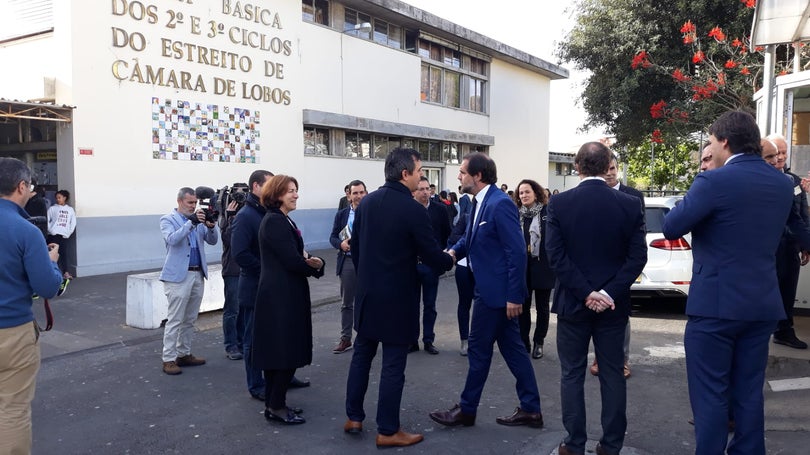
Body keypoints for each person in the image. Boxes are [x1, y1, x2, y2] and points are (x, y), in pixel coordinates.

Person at [662, 111, 795, 454]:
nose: (708, 147)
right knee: (749, 391)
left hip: (716, 305)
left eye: (709, 141)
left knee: (710, 394)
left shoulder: (713, 181)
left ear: (723, 141)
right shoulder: (781, 184)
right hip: (762, 302)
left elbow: (672, 226)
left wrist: (690, 196)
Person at [344, 147, 454, 448]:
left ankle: (354, 416)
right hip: (397, 299)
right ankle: (388, 430)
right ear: (405, 173)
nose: (422, 177)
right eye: (419, 172)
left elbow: (355, 249)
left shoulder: (366, 204)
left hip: (367, 295)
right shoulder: (413, 210)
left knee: (362, 356)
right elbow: (432, 255)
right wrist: (451, 258)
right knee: (393, 364)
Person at [545, 142, 647, 455]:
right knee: (613, 374)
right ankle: (611, 445)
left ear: (577, 167)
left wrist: (586, 292)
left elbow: (555, 255)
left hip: (573, 304)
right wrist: (605, 293)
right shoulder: (629, 204)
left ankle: (574, 443)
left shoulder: (559, 205)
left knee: (572, 374)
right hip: (613, 306)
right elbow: (637, 257)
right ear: (607, 167)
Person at [430, 152, 543, 430]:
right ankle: (531, 410)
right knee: (515, 351)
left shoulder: (500, 203)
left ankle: (467, 410)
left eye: (462, 172)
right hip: (493, 293)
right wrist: (452, 254)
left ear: (477, 176)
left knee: (479, 351)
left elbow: (516, 252)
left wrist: (515, 296)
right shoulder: (479, 202)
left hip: (495, 296)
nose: (458, 176)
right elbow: (469, 238)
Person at [0, 157, 62, 455]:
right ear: (21, 186)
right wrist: (51, 263)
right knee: (12, 409)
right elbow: (47, 287)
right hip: (12, 331)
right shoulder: (26, 231)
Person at [231, 171, 311, 399]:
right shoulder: (246, 216)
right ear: (257, 187)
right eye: (269, 185)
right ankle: (257, 385)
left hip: (273, 287)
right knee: (254, 340)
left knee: (275, 338)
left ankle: (281, 376)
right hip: (256, 287)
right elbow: (240, 254)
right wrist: (268, 271)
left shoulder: (272, 214)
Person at [252, 175, 325, 425]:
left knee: (279, 351)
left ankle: (275, 403)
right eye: (290, 191)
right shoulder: (275, 222)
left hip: (283, 294)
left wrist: (312, 262)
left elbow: (296, 255)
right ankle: (276, 406)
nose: (295, 195)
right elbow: (292, 260)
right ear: (277, 194)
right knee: (284, 351)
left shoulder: (281, 219)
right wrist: (316, 266)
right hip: (280, 297)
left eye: (296, 190)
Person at [591, 155, 645, 379]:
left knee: (620, 313)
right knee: (595, 310)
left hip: (623, 267)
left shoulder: (634, 196)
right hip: (596, 264)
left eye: (613, 168)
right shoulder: (593, 195)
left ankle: (622, 359)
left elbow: (638, 233)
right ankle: (598, 357)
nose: (610, 173)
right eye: (606, 169)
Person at [158, 187, 218, 375]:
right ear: (179, 201)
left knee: (190, 318)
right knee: (175, 319)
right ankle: (168, 358)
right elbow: (172, 240)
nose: (193, 206)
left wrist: (210, 225)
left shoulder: (198, 219)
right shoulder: (168, 219)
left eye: (195, 203)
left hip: (197, 273)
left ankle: (183, 353)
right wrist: (190, 224)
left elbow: (213, 240)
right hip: (177, 276)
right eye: (190, 203)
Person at [767, 134, 810, 350]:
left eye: (784, 152)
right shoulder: (760, 182)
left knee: (787, 291)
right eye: (776, 153)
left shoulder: (794, 181)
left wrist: (805, 245)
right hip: (768, 249)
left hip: (791, 247)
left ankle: (784, 331)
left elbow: (801, 214)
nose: (781, 157)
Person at [410, 177, 451, 355]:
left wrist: (441, 258)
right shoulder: (407, 209)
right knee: (411, 306)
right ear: (414, 192)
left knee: (430, 305)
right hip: (410, 266)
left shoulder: (440, 210)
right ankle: (412, 341)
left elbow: (447, 235)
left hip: (430, 267)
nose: (426, 192)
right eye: (421, 189)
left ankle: (428, 340)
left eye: (428, 189)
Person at [515, 179, 555, 360]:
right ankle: (524, 342)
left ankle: (539, 341)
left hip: (543, 265)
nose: (523, 195)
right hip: (523, 267)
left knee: (542, 307)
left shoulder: (548, 212)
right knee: (522, 307)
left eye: (527, 192)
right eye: (521, 193)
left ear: (536, 193)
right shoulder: (517, 215)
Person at [329, 179, 367, 354]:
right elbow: (333, 237)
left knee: (367, 301)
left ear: (366, 193)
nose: (358, 196)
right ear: (349, 195)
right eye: (355, 193)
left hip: (367, 262)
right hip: (348, 261)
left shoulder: (372, 212)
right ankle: (345, 338)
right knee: (347, 303)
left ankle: (366, 337)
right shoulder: (342, 214)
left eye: (361, 192)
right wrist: (340, 244)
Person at [220, 196, 244, 361]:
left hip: (248, 269)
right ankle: (231, 344)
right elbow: (229, 240)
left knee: (244, 309)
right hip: (233, 270)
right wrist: (231, 217)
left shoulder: (250, 214)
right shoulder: (227, 218)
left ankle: (242, 342)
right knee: (232, 309)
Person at [448, 208, 474, 356]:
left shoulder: (491, 216)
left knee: (483, 305)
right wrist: (469, 240)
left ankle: (479, 339)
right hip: (464, 266)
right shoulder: (466, 217)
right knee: (464, 303)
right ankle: (465, 340)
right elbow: (454, 236)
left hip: (483, 268)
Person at [47, 189, 76, 279]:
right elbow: (47, 220)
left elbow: (73, 222)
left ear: (65, 198)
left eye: (59, 197)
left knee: (64, 254)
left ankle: (66, 273)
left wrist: (68, 233)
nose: (57, 199)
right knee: (52, 254)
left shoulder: (70, 210)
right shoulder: (52, 208)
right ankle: (51, 274)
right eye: (56, 198)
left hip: (64, 235)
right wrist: (51, 230)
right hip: (54, 235)